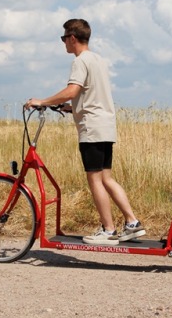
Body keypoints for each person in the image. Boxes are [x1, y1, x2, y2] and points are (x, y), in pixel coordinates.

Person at [25, 19, 143, 245]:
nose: (63, 44)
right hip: (106, 126)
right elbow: (90, 95)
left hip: (91, 129)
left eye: (63, 39)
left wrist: (42, 101)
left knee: (95, 180)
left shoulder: (80, 61)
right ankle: (132, 223)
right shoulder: (98, 60)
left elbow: (72, 90)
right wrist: (72, 108)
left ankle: (108, 230)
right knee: (107, 178)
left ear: (72, 38)